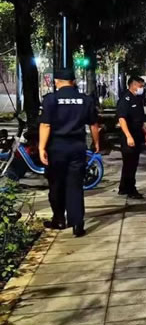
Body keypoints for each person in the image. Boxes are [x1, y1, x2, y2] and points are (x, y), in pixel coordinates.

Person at [38, 68, 101, 237]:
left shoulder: (51, 99)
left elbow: (45, 125)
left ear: (56, 82)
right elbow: (93, 125)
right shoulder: (85, 100)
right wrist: (96, 143)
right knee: (75, 185)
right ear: (73, 82)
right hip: (77, 147)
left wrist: (41, 148)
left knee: (56, 184)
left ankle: (59, 219)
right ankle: (77, 224)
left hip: (56, 148)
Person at [117, 76, 146, 199]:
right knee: (130, 164)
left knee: (130, 163)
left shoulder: (137, 99)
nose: (142, 88)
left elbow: (139, 120)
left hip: (137, 135)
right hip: (129, 136)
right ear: (133, 85)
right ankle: (131, 189)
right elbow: (122, 119)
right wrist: (128, 136)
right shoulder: (125, 99)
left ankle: (123, 188)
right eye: (140, 86)